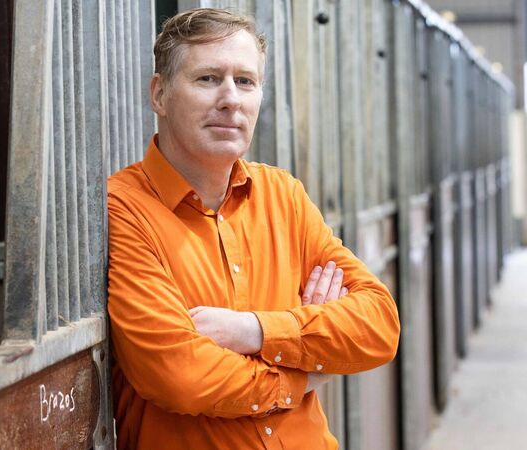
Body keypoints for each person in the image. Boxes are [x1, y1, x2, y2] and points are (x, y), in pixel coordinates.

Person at [106, 8, 400, 450]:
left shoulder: (284, 196)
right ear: (160, 94)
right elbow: (182, 376)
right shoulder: (124, 207)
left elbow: (379, 324)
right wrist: (304, 372)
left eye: (245, 81)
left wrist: (255, 331)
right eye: (208, 78)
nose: (231, 99)